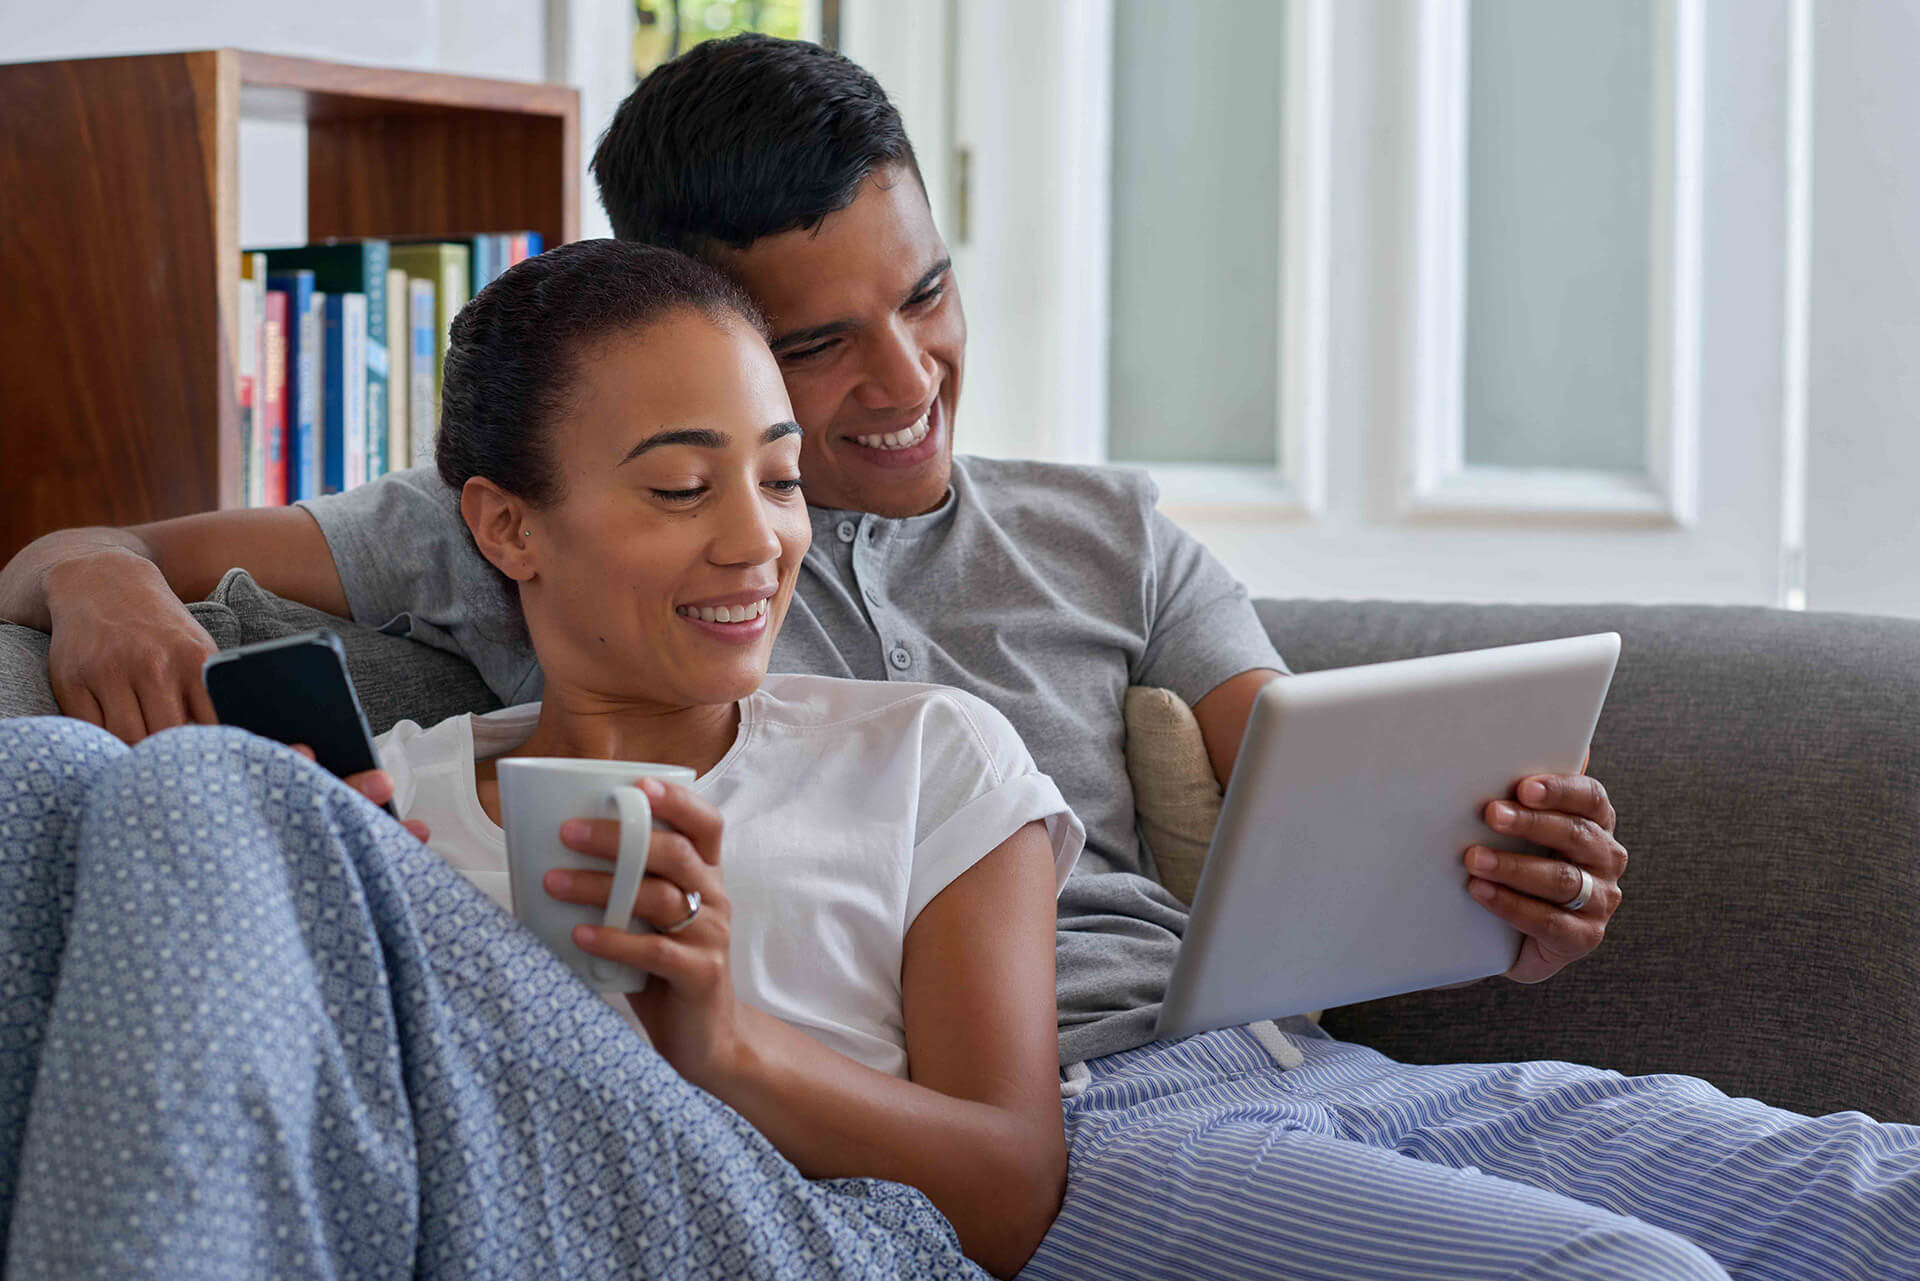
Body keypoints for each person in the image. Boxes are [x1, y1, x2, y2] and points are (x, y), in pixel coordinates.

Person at [4, 32, 1918, 1281]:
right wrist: (96, 581)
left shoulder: (1106, 531)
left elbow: (1321, 813)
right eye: (815, 350)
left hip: (1291, 1058)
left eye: (922, 294)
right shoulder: (532, 525)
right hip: (1075, 1132)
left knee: (1866, 1199)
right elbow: (94, 550)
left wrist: (1503, 877)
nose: (904, 380)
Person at [1, 237, 1090, 1280]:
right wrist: (89, 576)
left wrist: (726, 1045)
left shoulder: (926, 755)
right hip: (452, 1222)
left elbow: (1011, 1196)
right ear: (508, 529)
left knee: (213, 783)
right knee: (40, 777)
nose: (758, 539)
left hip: (820, 1241)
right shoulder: (392, 795)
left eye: (780, 478)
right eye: (680, 489)